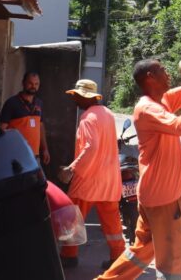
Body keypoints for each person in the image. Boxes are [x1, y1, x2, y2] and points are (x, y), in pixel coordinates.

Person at [97, 60, 181, 280]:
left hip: (154, 196)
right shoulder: (148, 109)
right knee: (173, 259)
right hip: (163, 200)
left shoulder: (161, 101)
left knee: (141, 251)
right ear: (150, 77)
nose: (167, 72)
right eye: (161, 70)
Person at [57, 79, 124, 269]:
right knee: (112, 224)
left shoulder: (87, 117)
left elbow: (91, 147)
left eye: (77, 96)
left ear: (86, 98)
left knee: (72, 218)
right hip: (109, 180)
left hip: (88, 180)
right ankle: (118, 258)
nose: (75, 100)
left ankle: (69, 256)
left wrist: (72, 168)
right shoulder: (108, 114)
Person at [0, 71, 50, 163]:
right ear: (23, 83)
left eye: (36, 84)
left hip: (34, 156)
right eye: (30, 83)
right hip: (16, 156)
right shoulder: (11, 103)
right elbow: (1, 130)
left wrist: (45, 149)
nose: (33, 86)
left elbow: (40, 127)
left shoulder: (39, 103)